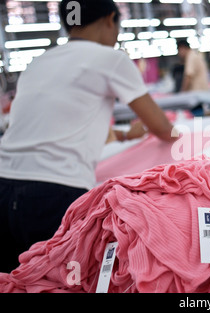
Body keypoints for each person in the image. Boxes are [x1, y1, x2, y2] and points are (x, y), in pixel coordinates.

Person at [0, 0, 177, 273]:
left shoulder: (38, 62)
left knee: (15, 281)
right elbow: (163, 128)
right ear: (110, 20)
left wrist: (121, 135)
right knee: (66, 281)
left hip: (4, 187)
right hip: (52, 193)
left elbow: (53, 126)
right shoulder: (111, 59)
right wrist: (186, 132)